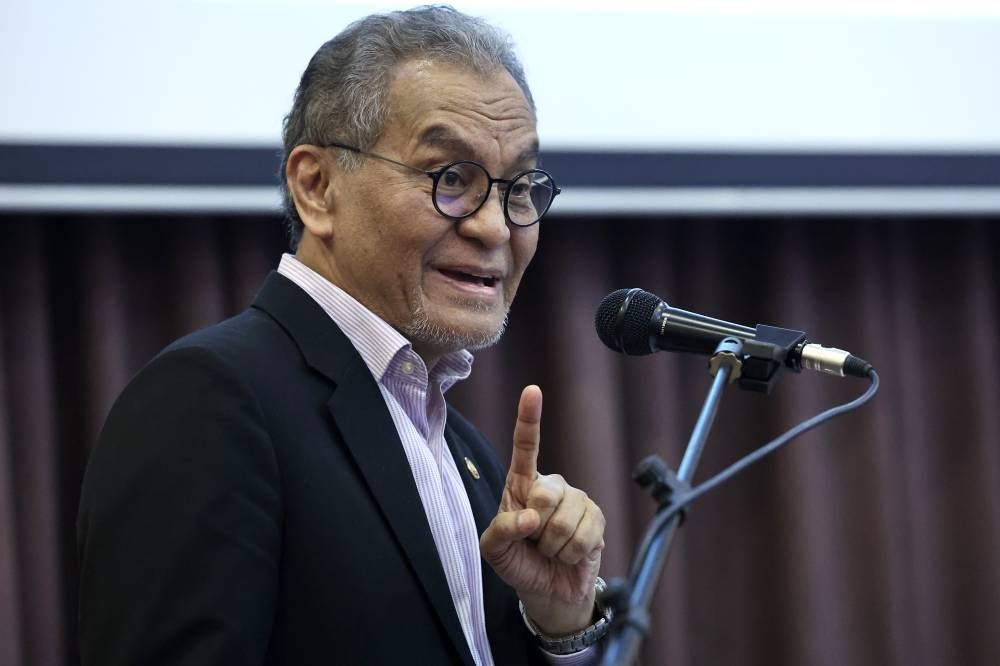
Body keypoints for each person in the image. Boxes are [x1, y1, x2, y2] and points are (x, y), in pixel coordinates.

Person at [77, 6, 609, 665]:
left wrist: (560, 624)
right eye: (451, 179)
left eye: (519, 188)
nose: (496, 228)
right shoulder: (209, 401)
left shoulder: (462, 451)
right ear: (317, 186)